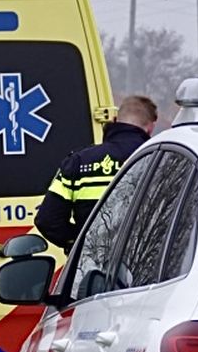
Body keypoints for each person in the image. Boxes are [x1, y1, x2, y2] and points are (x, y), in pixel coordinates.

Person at [34, 94, 158, 250]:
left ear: (115, 120)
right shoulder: (158, 160)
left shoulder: (78, 161)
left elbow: (47, 220)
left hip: (90, 262)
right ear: (150, 127)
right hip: (144, 258)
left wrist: (83, 243)